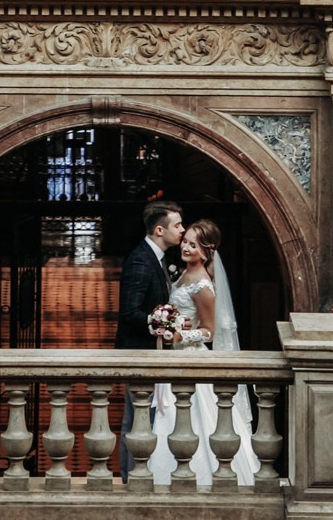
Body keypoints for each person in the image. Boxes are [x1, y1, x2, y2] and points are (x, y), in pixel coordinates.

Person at [149, 219, 258, 489]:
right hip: (173, 356)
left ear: (207, 251)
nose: (186, 248)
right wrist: (165, 323)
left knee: (194, 420)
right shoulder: (182, 275)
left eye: (193, 245)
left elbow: (209, 331)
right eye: (185, 241)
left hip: (190, 357)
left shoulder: (203, 286)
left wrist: (180, 335)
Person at [115, 199, 184, 482]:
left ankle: (137, 474)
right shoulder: (141, 261)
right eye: (177, 225)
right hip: (138, 353)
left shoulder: (158, 258)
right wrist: (162, 323)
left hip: (151, 352)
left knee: (143, 418)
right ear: (159, 230)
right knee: (136, 421)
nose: (182, 230)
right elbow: (129, 312)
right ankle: (131, 477)